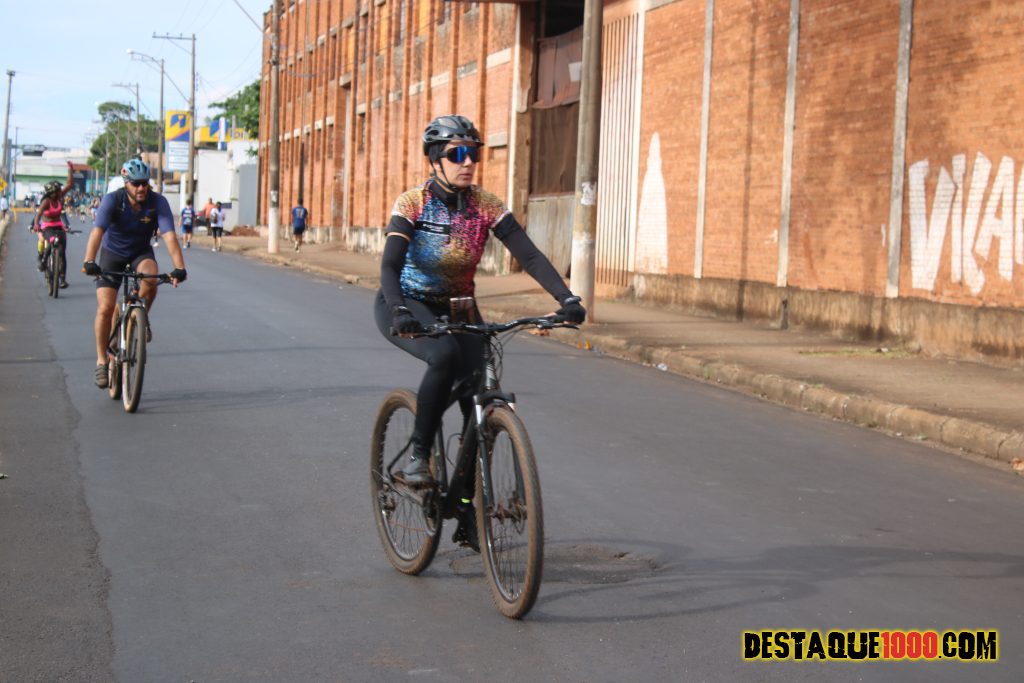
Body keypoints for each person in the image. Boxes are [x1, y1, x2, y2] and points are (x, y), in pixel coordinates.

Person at [374, 115, 586, 549]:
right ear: (436, 160)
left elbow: (529, 254)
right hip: (407, 304)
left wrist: (567, 298)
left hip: (460, 307)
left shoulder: (485, 205)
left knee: (481, 398)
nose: (468, 162)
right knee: (444, 356)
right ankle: (418, 457)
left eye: (474, 153)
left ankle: (468, 507)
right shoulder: (414, 203)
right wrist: (399, 310)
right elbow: (390, 266)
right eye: (457, 154)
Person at [82, 158, 187, 388]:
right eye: (136, 183)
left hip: (140, 252)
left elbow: (169, 235)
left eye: (145, 183)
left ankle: (140, 316)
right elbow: (97, 232)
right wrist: (89, 261)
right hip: (112, 253)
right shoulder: (113, 200)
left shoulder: (157, 202)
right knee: (105, 308)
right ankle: (101, 360)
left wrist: (179, 268)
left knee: (151, 277)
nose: (141, 188)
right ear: (126, 183)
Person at [31, 161, 75, 288]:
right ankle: (44, 260)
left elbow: (69, 184)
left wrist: (70, 169)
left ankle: (62, 279)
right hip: (47, 227)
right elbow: (39, 214)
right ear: (51, 192)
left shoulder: (59, 196)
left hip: (58, 225)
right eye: (57, 190)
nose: (60, 192)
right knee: (51, 240)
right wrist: (36, 224)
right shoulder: (46, 201)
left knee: (62, 252)